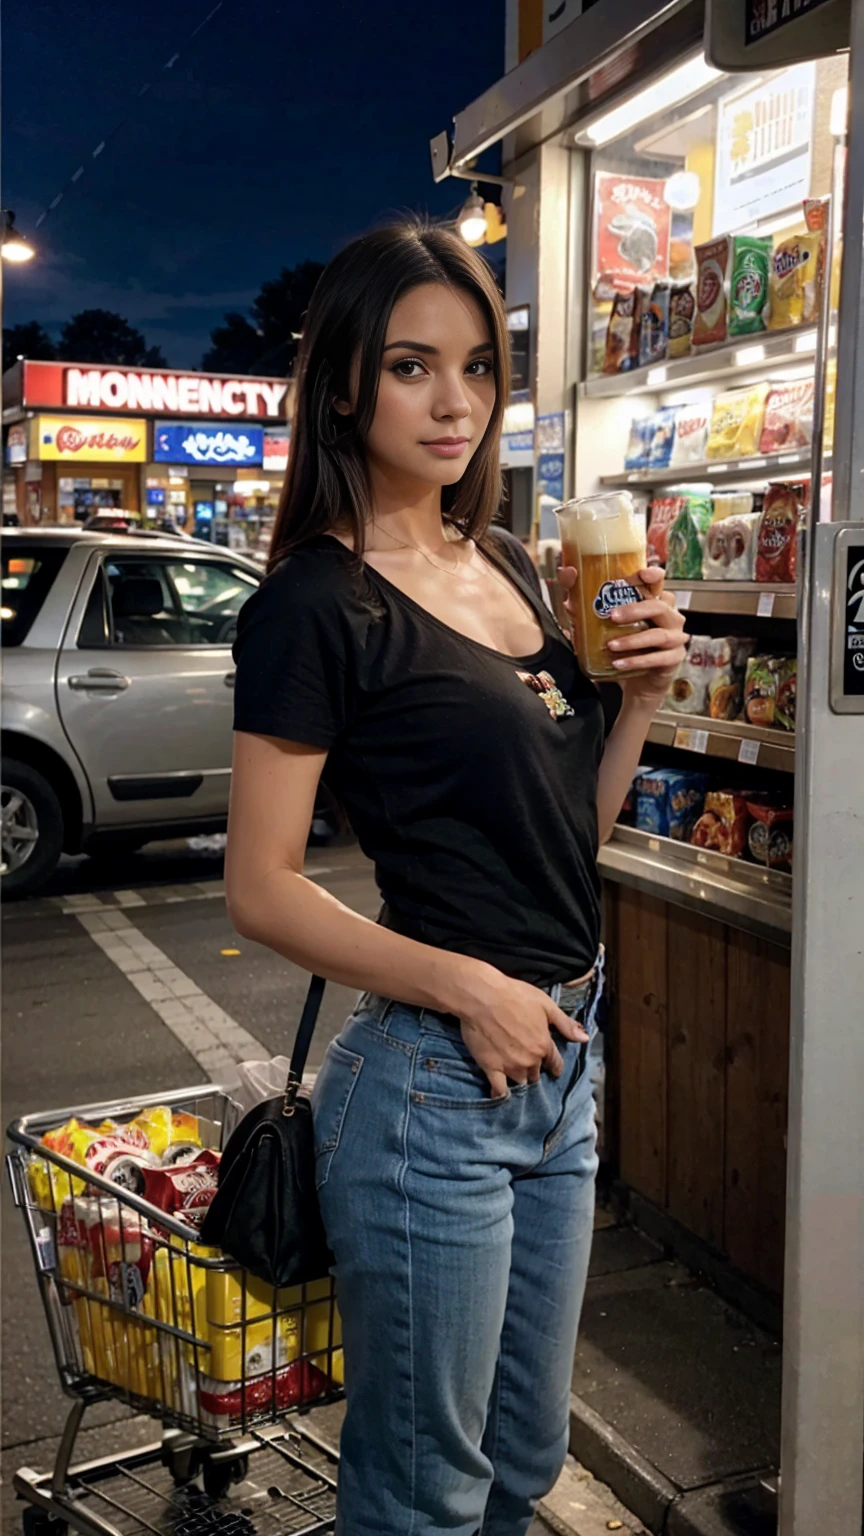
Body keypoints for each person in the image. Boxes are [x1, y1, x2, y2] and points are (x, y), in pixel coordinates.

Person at [225, 221, 686, 1536]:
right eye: (414, 366)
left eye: (479, 369)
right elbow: (258, 889)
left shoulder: (509, 567)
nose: (456, 403)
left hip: (561, 1064)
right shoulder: (315, 606)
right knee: (425, 1493)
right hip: (433, 1086)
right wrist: (469, 988)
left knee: (521, 1469)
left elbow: (563, 843)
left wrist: (641, 702)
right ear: (344, 385)